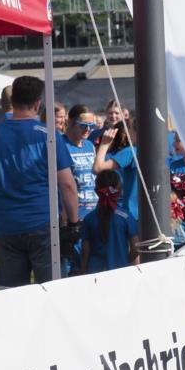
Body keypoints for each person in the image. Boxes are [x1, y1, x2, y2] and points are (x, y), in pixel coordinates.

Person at [0, 76, 79, 287]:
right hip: (44, 225)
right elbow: (67, 185)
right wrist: (74, 224)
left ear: (13, 101)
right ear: (38, 104)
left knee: (10, 297)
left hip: (6, 226)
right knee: (52, 294)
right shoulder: (49, 135)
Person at [62, 105, 99, 274]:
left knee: (89, 263)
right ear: (70, 122)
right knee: (72, 265)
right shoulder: (60, 145)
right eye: (83, 125)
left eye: (92, 126)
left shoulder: (90, 145)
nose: (88, 130)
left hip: (93, 213)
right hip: (72, 216)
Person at [81, 169, 139, 274]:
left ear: (96, 191)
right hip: (120, 272)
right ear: (120, 190)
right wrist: (125, 261)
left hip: (95, 274)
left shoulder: (88, 219)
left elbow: (85, 251)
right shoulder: (126, 217)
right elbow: (136, 248)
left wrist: (84, 269)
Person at [93, 119, 139, 221]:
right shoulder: (162, 152)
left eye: (130, 129)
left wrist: (104, 143)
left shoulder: (131, 152)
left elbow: (97, 169)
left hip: (132, 216)